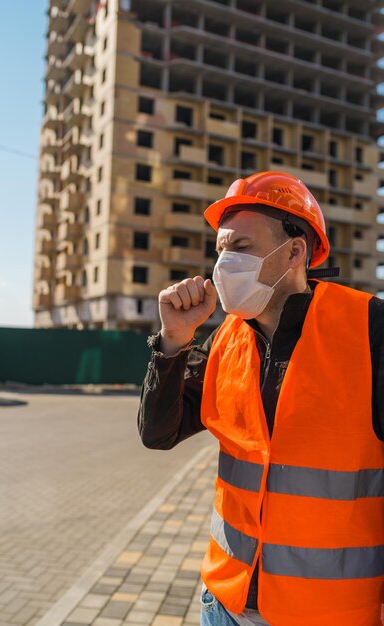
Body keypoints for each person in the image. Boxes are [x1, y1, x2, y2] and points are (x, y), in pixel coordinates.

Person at [138, 171, 384, 626]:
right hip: (225, 603)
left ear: (294, 251)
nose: (223, 263)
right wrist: (172, 343)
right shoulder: (222, 340)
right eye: (221, 249)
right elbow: (158, 433)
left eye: (241, 247)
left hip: (330, 614)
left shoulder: (370, 328)